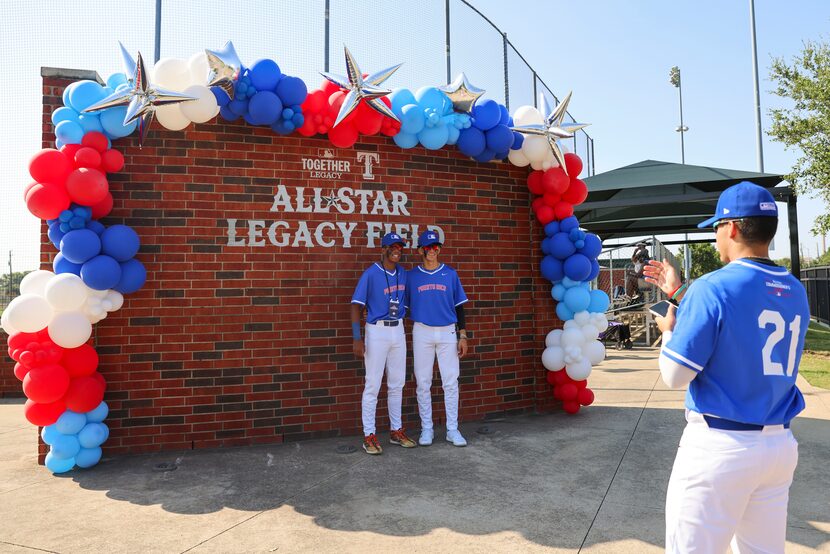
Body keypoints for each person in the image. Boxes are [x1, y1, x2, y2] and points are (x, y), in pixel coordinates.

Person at [652, 181, 808, 553]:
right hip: (778, 446)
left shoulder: (712, 286)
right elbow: (743, 307)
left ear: (733, 227)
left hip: (720, 445)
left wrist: (670, 332)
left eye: (717, 228)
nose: (716, 238)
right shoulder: (795, 288)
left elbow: (674, 376)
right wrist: (678, 295)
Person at [351, 232, 417, 455]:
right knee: (373, 385)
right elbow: (355, 306)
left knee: (397, 384)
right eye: (393, 246)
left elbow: (406, 301)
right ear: (384, 249)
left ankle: (396, 430)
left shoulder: (403, 274)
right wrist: (357, 337)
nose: (397, 250)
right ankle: (369, 435)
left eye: (400, 246)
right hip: (376, 331)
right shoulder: (371, 274)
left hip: (397, 330)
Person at [405, 230, 470, 447]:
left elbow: (460, 308)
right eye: (428, 247)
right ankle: (427, 428)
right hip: (422, 330)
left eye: (436, 247)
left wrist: (463, 335)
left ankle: (452, 429)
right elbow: (402, 306)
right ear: (420, 250)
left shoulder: (450, 274)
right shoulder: (412, 276)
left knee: (450, 382)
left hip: (447, 331)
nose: (432, 251)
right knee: (423, 382)